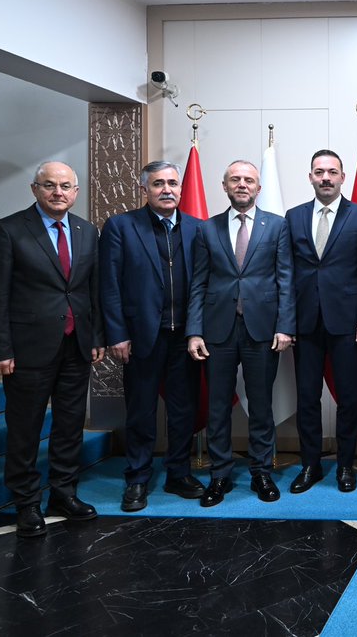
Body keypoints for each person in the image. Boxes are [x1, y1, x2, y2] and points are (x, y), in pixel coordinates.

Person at [0, 161, 105, 537]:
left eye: (66, 186)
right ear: (34, 189)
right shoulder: (7, 230)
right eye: (49, 185)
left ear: (76, 191)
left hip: (76, 344)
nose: (58, 192)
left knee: (69, 426)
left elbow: (90, 290)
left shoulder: (86, 231)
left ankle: (63, 494)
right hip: (27, 348)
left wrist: (96, 336)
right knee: (25, 427)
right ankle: (27, 502)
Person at [186, 160, 295, 507]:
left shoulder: (277, 226)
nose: (243, 184)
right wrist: (193, 332)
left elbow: (286, 280)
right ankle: (220, 475)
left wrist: (286, 326)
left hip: (262, 329)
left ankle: (261, 471)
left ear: (259, 188)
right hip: (217, 330)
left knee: (261, 404)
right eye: (236, 179)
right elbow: (198, 283)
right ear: (225, 185)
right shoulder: (207, 229)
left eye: (249, 180)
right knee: (218, 405)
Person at [100, 160, 206, 512]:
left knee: (182, 410)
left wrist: (197, 331)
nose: (167, 189)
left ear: (180, 188)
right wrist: (117, 334)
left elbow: (204, 287)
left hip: (185, 338)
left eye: (173, 183)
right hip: (141, 336)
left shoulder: (197, 229)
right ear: (144, 188)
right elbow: (110, 286)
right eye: (158, 183)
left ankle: (178, 472)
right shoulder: (121, 227)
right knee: (141, 411)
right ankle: (138, 479)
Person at [285, 149, 357, 494]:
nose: (325, 177)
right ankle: (310, 465)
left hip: (348, 323)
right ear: (310, 177)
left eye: (332, 172)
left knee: (349, 397)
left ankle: (344, 466)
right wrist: (287, 321)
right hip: (305, 323)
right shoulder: (293, 217)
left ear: (343, 177)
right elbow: (286, 273)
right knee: (307, 397)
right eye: (319, 172)